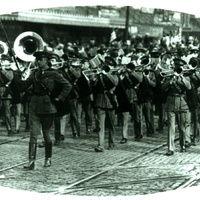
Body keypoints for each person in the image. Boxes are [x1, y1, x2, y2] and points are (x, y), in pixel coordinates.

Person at [14, 50, 72, 170]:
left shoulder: (54, 73)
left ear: (46, 60)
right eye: (37, 59)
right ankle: (31, 161)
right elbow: (22, 87)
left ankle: (48, 158)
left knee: (46, 134)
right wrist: (18, 75)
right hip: (34, 105)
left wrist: (59, 98)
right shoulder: (34, 74)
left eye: (40, 59)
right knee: (33, 134)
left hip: (48, 106)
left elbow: (68, 85)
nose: (38, 61)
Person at [161, 58, 191, 156]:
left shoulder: (186, 76)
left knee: (182, 127)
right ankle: (171, 148)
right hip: (171, 102)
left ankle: (182, 145)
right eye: (176, 67)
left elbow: (188, 87)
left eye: (179, 67)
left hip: (182, 103)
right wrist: (170, 81)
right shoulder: (169, 76)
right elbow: (163, 88)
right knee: (171, 127)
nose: (177, 69)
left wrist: (181, 77)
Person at [93, 56, 119, 152]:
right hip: (100, 101)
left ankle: (111, 142)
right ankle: (100, 145)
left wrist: (107, 74)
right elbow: (92, 84)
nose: (108, 67)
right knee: (100, 125)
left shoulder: (115, 74)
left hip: (110, 100)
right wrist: (97, 75)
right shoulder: (99, 75)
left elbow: (115, 82)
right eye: (107, 65)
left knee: (111, 124)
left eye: (110, 65)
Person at [0, 54, 15, 136]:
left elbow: (9, 78)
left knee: (7, 113)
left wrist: (2, 69)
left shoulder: (10, 71)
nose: (1, 62)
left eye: (3, 61)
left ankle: (9, 129)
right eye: (1, 61)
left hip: (6, 94)